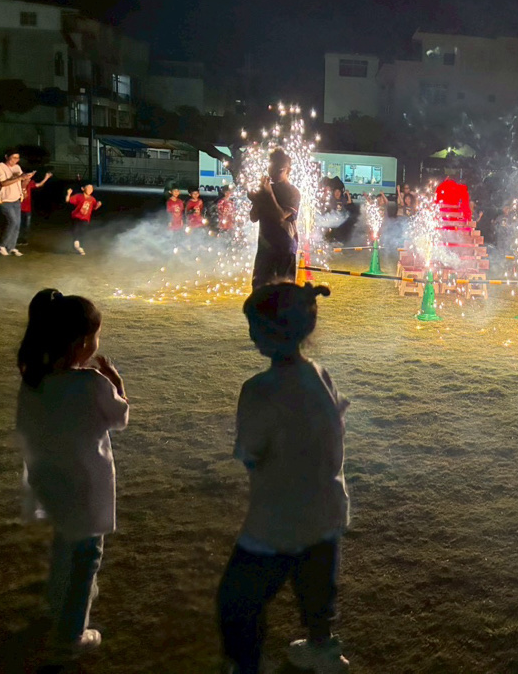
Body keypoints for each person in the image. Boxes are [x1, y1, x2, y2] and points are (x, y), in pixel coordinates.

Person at [217, 282, 350, 674]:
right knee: (316, 585)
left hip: (279, 515)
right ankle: (322, 649)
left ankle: (246, 666)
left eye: (253, 327)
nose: (250, 334)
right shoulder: (320, 375)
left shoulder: (259, 390)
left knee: (237, 600)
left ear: (269, 333)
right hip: (326, 506)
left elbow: (251, 453)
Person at [16, 289, 129, 664]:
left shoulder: (34, 379)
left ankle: (56, 600)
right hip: (84, 485)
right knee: (86, 559)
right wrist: (116, 384)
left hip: (50, 481)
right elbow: (119, 418)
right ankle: (71, 635)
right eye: (96, 336)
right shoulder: (91, 383)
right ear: (82, 343)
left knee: (65, 540)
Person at [248, 149, 300, 289]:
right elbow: (253, 217)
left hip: (285, 248)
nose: (274, 174)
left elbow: (280, 217)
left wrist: (269, 194)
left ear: (288, 170)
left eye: (279, 170)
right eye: (271, 169)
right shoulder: (265, 189)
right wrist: (255, 200)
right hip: (265, 247)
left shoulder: (292, 192)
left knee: (283, 292)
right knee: (260, 289)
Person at [0, 148, 35, 256]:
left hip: (16, 199)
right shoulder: (0, 167)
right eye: (14, 158)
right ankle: (2, 246)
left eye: (18, 158)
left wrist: (26, 179)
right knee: (12, 222)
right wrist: (19, 177)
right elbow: (3, 183)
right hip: (5, 199)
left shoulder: (17, 167)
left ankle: (12, 246)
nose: (16, 160)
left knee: (17, 224)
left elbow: (21, 182)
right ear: (7, 157)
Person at [66, 185, 102, 256]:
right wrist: (68, 194)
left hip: (85, 218)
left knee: (82, 232)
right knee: (76, 230)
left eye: (91, 188)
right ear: (83, 189)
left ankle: (80, 247)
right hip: (76, 216)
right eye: (88, 188)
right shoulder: (78, 196)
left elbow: (94, 207)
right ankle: (76, 243)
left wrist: (98, 205)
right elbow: (68, 200)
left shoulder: (92, 199)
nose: (90, 189)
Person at [19, 170, 53, 245]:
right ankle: (17, 239)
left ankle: (23, 240)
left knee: (26, 226)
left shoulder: (29, 184)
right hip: (18, 209)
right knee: (18, 225)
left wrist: (46, 178)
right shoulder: (17, 185)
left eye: (29, 178)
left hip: (27, 209)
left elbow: (39, 185)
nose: (29, 180)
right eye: (28, 178)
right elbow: (24, 196)